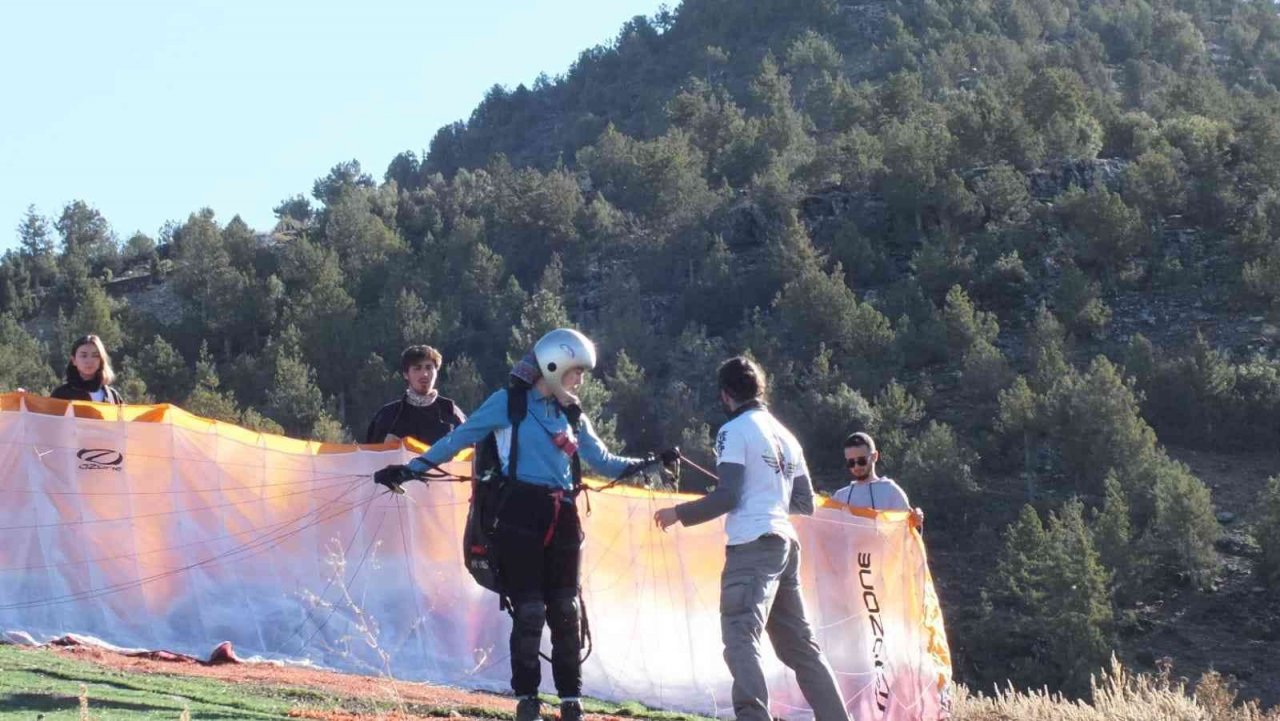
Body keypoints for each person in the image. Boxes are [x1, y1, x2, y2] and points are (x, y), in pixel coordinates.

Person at [375, 328, 666, 721]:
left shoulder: (571, 413)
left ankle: (570, 700)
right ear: (552, 366)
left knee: (566, 608)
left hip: (563, 517)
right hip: (518, 518)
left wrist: (649, 463)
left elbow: (604, 462)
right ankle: (528, 697)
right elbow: (457, 439)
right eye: (574, 372)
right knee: (529, 611)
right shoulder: (507, 404)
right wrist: (409, 470)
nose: (579, 380)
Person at [652, 357, 849, 721]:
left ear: (726, 395)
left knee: (741, 638)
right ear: (760, 389)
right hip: (786, 545)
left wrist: (678, 513)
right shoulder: (787, 437)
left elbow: (728, 496)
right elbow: (804, 502)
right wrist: (768, 492)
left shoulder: (733, 431)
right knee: (802, 649)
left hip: (753, 546)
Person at [365, 345, 467, 445]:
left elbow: (470, 453)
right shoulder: (388, 416)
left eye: (429, 368)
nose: (424, 374)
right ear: (405, 374)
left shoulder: (451, 413)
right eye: (417, 368)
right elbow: (371, 456)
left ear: (436, 372)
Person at [831, 432, 924, 526]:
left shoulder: (891, 491)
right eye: (851, 462)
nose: (856, 466)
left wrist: (916, 520)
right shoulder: (840, 497)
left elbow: (906, 530)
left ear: (874, 456)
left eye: (861, 461)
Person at [50, 334, 125, 404]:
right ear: (74, 360)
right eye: (84, 356)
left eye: (95, 355)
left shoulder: (112, 396)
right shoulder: (61, 394)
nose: (89, 361)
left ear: (101, 360)